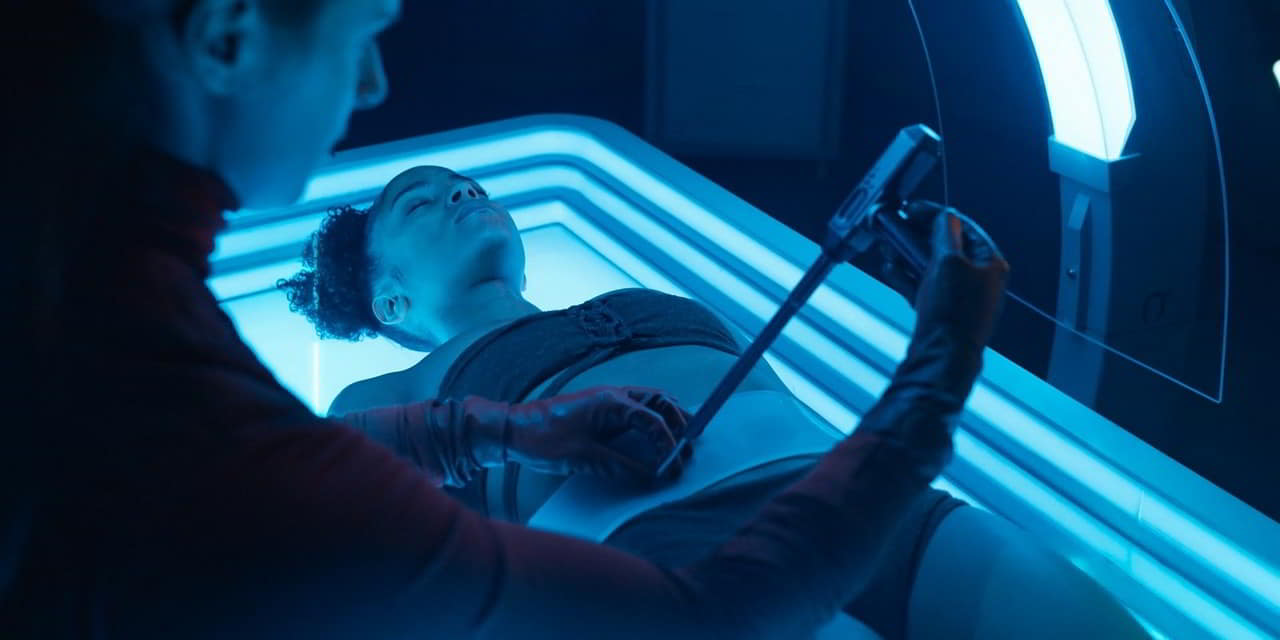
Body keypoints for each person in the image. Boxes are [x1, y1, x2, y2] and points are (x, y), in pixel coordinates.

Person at [0, 0, 1104, 638]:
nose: (373, 83)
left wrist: (501, 426)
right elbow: (691, 618)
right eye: (361, 25)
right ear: (227, 36)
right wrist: (938, 365)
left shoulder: (96, 312)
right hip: (685, 552)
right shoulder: (178, 385)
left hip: (847, 488)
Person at [283, 165, 1148, 640]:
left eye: (468, 186)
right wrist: (517, 428)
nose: (464, 193)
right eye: (421, 202)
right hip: (668, 559)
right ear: (390, 302)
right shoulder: (390, 390)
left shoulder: (637, 295)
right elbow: (333, 485)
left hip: (864, 494)